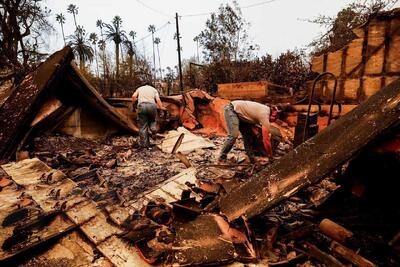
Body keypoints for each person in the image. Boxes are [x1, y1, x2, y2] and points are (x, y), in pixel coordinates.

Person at [132, 83, 165, 148]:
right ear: (150, 85)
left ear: (144, 85)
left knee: (143, 127)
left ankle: (144, 145)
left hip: (142, 106)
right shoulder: (154, 90)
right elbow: (158, 100)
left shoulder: (140, 88)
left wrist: (133, 105)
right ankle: (153, 129)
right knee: (152, 121)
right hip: (152, 106)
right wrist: (161, 109)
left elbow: (133, 96)